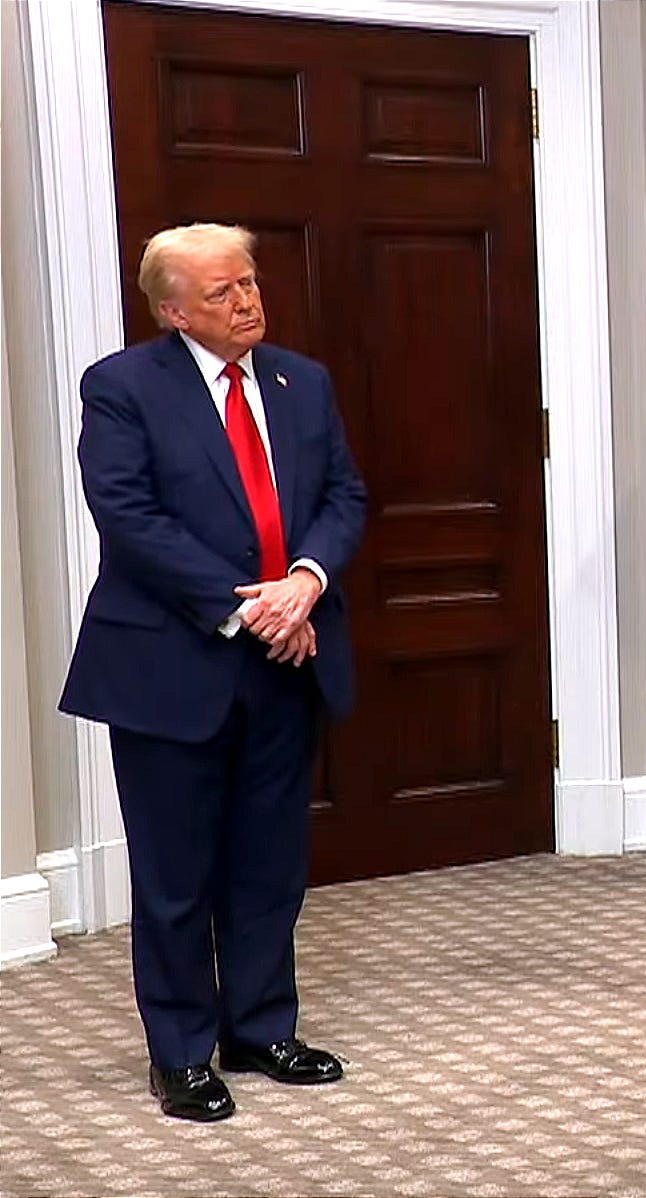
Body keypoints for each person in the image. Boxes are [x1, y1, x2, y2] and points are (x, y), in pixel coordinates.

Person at [59, 223, 367, 1122]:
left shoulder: (302, 381)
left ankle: (262, 1028)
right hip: (171, 663)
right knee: (176, 875)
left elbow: (343, 496)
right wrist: (251, 608)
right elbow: (129, 516)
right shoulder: (122, 388)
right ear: (173, 311)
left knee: (270, 864)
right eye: (222, 292)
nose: (246, 302)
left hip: (288, 659)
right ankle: (182, 1054)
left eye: (250, 283)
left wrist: (304, 584)